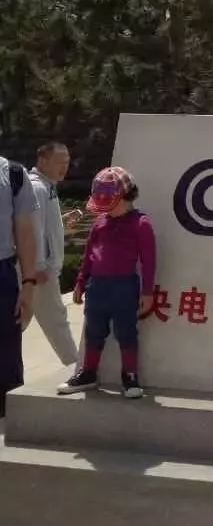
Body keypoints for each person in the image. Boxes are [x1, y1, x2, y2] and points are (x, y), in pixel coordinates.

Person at [58, 166, 156, 400]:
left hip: (124, 287)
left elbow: (149, 261)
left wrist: (147, 292)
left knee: (126, 332)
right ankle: (88, 373)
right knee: (93, 332)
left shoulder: (141, 223)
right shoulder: (99, 223)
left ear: (125, 195)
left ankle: (130, 376)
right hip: (97, 287)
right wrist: (81, 282)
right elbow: (89, 256)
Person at [28, 142, 83, 370]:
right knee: (56, 319)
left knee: (18, 320)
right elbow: (32, 230)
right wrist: (38, 265)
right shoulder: (37, 188)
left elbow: (43, 227)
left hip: (39, 268)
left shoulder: (46, 187)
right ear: (43, 161)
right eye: (59, 162)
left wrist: (61, 222)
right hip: (41, 271)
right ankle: (76, 367)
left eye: (67, 162)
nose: (64, 167)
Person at [0, 155, 40, 417]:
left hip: (2, 272)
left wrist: (28, 283)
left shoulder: (13, 174)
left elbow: (24, 231)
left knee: (5, 351)